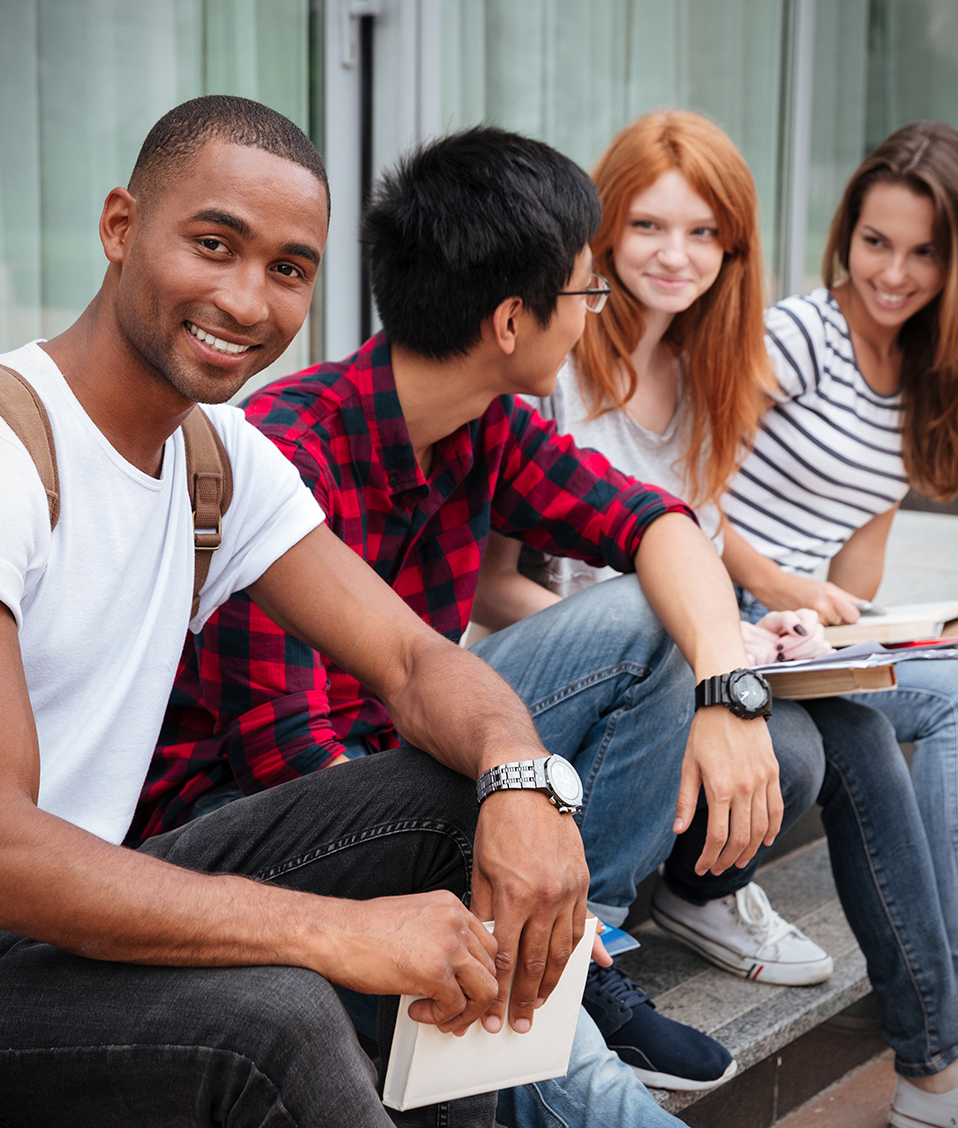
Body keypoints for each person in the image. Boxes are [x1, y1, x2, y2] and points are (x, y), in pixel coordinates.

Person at [136, 125, 796, 1122]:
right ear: (507, 321)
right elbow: (288, 755)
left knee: (646, 614)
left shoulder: (487, 425)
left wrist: (726, 690)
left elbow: (656, 522)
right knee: (459, 815)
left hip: (407, 753)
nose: (591, 316)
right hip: (247, 819)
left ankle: (589, 934)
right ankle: (552, 976)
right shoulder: (285, 454)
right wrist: (488, 851)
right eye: (581, 293)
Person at [0, 95, 602, 1128]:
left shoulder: (216, 461)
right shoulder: (18, 454)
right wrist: (332, 931)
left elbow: (415, 663)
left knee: (454, 795)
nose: (246, 299)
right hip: (19, 943)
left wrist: (526, 783)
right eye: (213, 243)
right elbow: (6, 848)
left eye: (287, 269)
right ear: (118, 227)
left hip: (83, 915)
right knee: (281, 1015)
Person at [475, 110, 958, 1128]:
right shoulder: (552, 366)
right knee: (805, 736)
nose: (675, 256)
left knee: (857, 729)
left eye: (704, 234)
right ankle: (608, 940)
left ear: (734, 249)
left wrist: (762, 628)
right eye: (648, 226)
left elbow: (711, 548)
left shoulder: (703, 379)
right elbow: (490, 593)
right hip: (553, 689)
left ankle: (933, 1063)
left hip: (683, 662)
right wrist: (711, 644)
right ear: (602, 232)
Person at [717, 118, 958, 1128]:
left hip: (799, 634)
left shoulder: (918, 373)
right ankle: (933, 1061)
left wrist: (869, 626)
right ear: (843, 236)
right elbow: (688, 496)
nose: (892, 273)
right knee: (864, 731)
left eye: (920, 251)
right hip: (721, 617)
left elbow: (860, 538)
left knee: (943, 695)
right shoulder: (794, 338)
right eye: (874, 243)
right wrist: (778, 587)